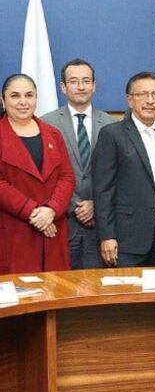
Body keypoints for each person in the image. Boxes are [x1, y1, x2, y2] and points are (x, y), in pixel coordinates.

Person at [92, 72, 155, 267]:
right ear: (129, 100)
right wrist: (107, 236)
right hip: (128, 237)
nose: (150, 101)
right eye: (142, 95)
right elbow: (103, 191)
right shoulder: (112, 134)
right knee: (131, 295)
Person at [42, 59, 116, 269]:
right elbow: (47, 174)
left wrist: (95, 203)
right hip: (61, 221)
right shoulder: (46, 124)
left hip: (100, 223)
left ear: (94, 85)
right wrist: (75, 205)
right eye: (74, 81)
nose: (81, 86)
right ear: (63, 87)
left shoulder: (111, 125)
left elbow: (116, 175)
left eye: (86, 81)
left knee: (97, 288)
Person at [0, 74, 75, 273]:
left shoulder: (53, 134)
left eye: (29, 95)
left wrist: (51, 210)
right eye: (15, 96)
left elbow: (66, 177)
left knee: (55, 293)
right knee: (21, 297)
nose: (23, 102)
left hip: (53, 230)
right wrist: (34, 213)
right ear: (3, 100)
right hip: (15, 233)